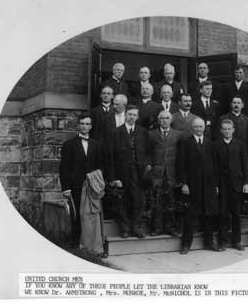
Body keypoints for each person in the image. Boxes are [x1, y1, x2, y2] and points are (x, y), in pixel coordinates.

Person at [107, 105, 151, 239]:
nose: (132, 117)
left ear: (137, 117)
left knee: (139, 200)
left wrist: (147, 167)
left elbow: (148, 152)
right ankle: (125, 228)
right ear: (125, 115)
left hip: (139, 172)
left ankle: (136, 226)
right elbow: (111, 156)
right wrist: (114, 177)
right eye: (129, 114)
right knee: (123, 200)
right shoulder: (116, 132)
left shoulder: (143, 132)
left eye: (134, 115)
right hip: (122, 172)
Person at [59, 114, 104, 247]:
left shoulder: (97, 145)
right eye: (82, 124)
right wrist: (66, 188)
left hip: (92, 185)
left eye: (87, 124)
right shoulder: (69, 145)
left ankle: (91, 243)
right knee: (77, 214)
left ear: (91, 126)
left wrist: (97, 181)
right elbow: (64, 168)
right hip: (76, 185)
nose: (84, 126)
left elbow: (101, 165)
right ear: (78, 125)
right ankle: (76, 244)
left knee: (92, 214)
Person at [179, 117, 220, 254]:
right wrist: (184, 183)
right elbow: (182, 165)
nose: (198, 129)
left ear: (204, 128)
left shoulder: (210, 143)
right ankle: (186, 245)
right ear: (192, 128)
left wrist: (215, 185)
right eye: (195, 127)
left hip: (208, 185)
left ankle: (209, 242)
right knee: (190, 216)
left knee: (208, 215)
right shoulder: (186, 143)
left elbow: (215, 166)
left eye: (200, 127)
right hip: (193, 185)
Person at [214, 119, 248, 251]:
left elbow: (245, 164)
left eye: (229, 129)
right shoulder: (216, 145)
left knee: (236, 214)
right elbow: (214, 167)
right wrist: (216, 185)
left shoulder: (240, 144)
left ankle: (237, 241)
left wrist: (247, 182)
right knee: (223, 213)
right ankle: (222, 242)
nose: (227, 131)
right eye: (224, 129)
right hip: (222, 184)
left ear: (233, 130)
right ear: (221, 131)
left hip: (237, 184)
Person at [148, 111, 183, 236]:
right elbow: (148, 153)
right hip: (157, 173)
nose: (164, 120)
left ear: (171, 120)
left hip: (172, 173)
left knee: (171, 201)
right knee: (157, 201)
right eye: (162, 118)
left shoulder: (178, 135)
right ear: (158, 120)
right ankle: (157, 228)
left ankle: (171, 227)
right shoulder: (151, 134)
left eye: (167, 118)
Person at [220, 96, 248, 215]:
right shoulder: (224, 118)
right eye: (234, 102)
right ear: (231, 104)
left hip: (243, 156)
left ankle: (243, 206)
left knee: (241, 184)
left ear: (242, 105)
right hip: (227, 154)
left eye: (238, 103)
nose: (236, 105)